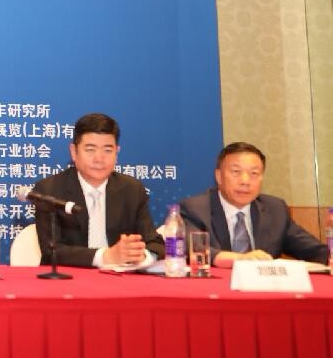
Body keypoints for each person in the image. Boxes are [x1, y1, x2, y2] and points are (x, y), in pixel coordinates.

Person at [32, 113, 164, 268]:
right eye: (90, 150)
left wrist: (140, 255)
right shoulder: (49, 190)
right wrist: (105, 256)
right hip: (70, 278)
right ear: (74, 152)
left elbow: (155, 244)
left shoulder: (132, 189)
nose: (99, 159)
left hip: (121, 278)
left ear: (117, 152)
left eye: (107, 150)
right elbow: (52, 251)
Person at [180, 142, 328, 267]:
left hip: (264, 289)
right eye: (236, 172)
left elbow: (313, 250)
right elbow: (190, 248)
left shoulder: (275, 209)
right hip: (216, 289)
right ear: (219, 176)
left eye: (254, 173)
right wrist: (238, 259)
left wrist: (329, 257)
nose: (245, 181)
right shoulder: (196, 208)